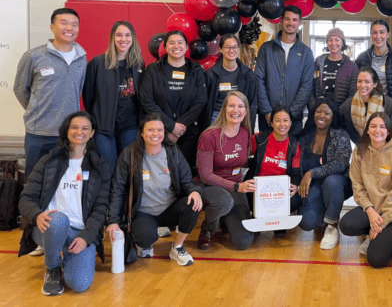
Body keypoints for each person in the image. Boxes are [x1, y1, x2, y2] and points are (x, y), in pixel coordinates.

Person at [18, 111, 111, 295]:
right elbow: (25, 198)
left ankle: (67, 259)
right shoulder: (49, 160)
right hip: (49, 227)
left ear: (92, 133)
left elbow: (100, 209)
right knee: (59, 220)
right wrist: (37, 215)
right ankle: (52, 267)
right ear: (66, 131)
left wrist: (86, 237)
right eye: (74, 127)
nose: (80, 132)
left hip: (81, 231)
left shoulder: (99, 165)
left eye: (85, 128)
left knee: (79, 284)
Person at [106, 113, 203, 266]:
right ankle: (149, 237)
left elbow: (186, 179)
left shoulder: (173, 151)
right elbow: (117, 188)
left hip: (169, 208)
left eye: (160, 130)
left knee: (193, 204)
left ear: (164, 133)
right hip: (144, 212)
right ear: (142, 133)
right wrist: (112, 220)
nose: (155, 134)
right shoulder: (129, 154)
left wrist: (194, 191)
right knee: (144, 237)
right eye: (150, 130)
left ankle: (177, 246)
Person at [14, 8, 87, 181]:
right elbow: (20, 89)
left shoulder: (81, 57)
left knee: (62, 183)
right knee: (34, 182)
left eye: (74, 24)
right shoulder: (34, 56)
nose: (69, 28)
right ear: (52, 27)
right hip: (38, 133)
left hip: (68, 134)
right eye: (64, 23)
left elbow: (79, 89)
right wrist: (37, 109)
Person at [339, 112, 392, 268]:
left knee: (375, 259)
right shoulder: (359, 152)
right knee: (346, 225)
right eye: (373, 126)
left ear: (388, 131)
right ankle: (376, 236)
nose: (377, 130)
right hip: (372, 209)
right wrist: (369, 210)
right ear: (367, 130)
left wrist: (381, 223)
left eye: (382, 127)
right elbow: (357, 186)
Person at [139, 30, 207, 174]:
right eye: (172, 42)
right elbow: (147, 101)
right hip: (158, 133)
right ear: (165, 46)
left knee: (183, 174)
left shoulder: (196, 70)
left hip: (187, 133)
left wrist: (177, 129)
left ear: (187, 47)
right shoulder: (153, 69)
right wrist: (170, 126)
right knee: (159, 174)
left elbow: (200, 102)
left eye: (180, 42)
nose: (176, 46)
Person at [196, 91, 256, 251]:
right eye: (231, 105)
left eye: (240, 106)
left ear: (245, 111)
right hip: (210, 187)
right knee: (224, 201)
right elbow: (205, 175)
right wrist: (237, 187)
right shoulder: (209, 136)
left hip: (235, 187)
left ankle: (223, 219)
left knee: (243, 242)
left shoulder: (245, 134)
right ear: (224, 109)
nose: (235, 110)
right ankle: (208, 226)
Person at [82, 20, 144, 173]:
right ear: (112, 38)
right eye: (119, 35)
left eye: (128, 35)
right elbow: (88, 97)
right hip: (103, 129)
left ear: (133, 38)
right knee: (107, 170)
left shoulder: (139, 65)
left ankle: (123, 198)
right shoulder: (98, 63)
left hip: (130, 127)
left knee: (128, 170)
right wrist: (96, 120)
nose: (124, 39)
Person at [294, 98, 353, 249]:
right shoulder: (305, 135)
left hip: (339, 184)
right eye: (318, 111)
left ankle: (332, 225)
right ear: (313, 114)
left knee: (331, 182)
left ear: (333, 115)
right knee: (307, 223)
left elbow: (340, 164)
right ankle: (324, 213)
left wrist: (311, 173)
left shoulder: (340, 134)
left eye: (327, 113)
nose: (322, 115)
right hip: (315, 186)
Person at [255, 5, 314, 135]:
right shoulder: (266, 49)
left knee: (291, 154)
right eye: (287, 19)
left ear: (299, 23)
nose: (290, 23)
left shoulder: (306, 53)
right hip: (268, 117)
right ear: (281, 21)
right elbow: (258, 80)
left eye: (294, 20)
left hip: (293, 120)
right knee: (266, 153)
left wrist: (290, 115)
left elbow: (306, 85)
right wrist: (267, 111)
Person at [245, 105, 301, 236]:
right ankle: (257, 216)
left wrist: (295, 185)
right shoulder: (259, 139)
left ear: (291, 122)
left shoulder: (294, 145)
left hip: (279, 191)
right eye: (278, 120)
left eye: (286, 120)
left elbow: (296, 172)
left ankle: (280, 219)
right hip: (257, 189)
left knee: (296, 199)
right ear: (271, 123)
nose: (282, 124)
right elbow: (243, 155)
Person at [202, 34, 257, 130]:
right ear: (220, 49)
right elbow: (204, 104)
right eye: (228, 47)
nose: (232, 50)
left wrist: (250, 128)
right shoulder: (210, 74)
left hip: (239, 117)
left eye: (235, 47)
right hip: (216, 118)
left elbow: (252, 104)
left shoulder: (248, 75)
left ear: (238, 49)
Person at [339, 67, 392, 144]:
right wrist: (363, 146)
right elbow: (350, 131)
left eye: (367, 82)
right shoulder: (348, 105)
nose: (362, 85)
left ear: (374, 84)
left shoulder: (388, 103)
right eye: (359, 81)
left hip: (384, 147)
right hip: (360, 147)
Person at [355, 19, 392, 102]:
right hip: (367, 103)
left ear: (388, 35)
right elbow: (356, 84)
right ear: (371, 35)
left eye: (382, 32)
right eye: (374, 32)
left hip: (390, 105)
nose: (378, 36)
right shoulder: (362, 58)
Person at [308, 28, 359, 110]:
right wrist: (314, 108)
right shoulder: (317, 64)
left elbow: (353, 93)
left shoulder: (351, 66)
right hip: (319, 112)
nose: (333, 43)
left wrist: (339, 112)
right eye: (330, 40)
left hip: (341, 114)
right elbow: (309, 89)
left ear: (342, 43)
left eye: (337, 40)